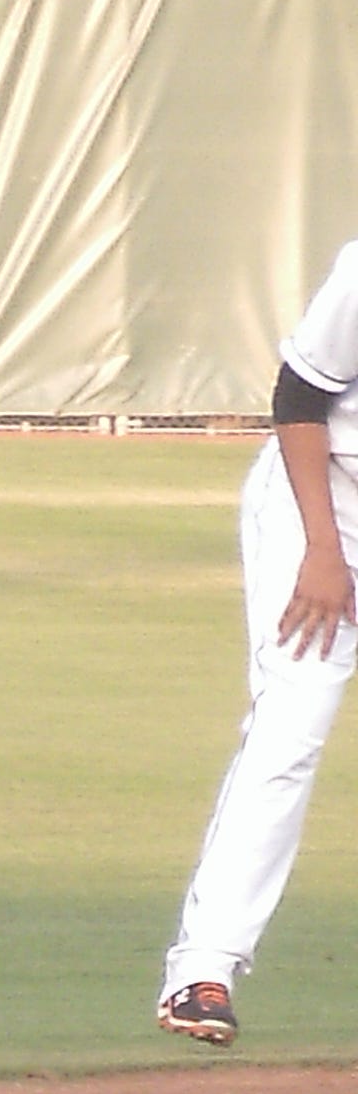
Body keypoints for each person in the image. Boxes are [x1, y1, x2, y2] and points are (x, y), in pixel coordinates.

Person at [158, 238, 358, 1046]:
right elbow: (298, 398)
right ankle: (200, 970)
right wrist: (321, 550)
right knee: (290, 732)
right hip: (323, 503)